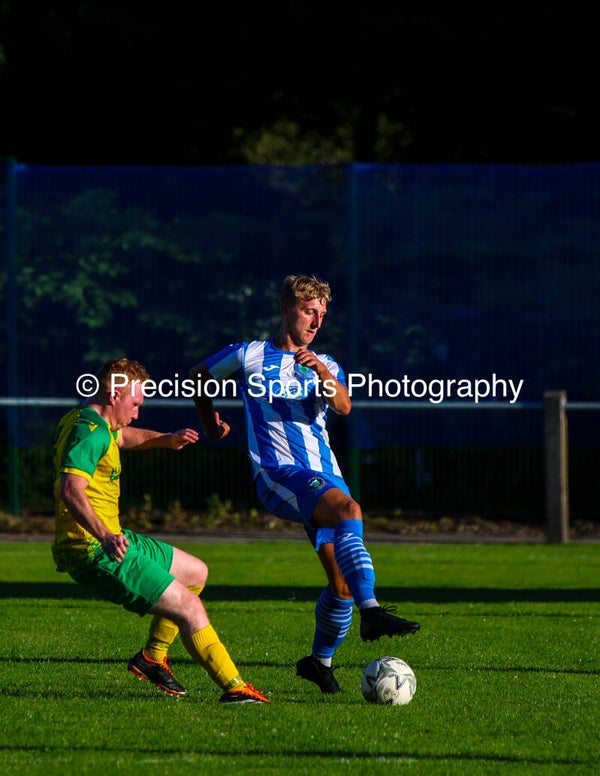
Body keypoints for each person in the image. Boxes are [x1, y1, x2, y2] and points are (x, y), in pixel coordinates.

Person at [189, 274, 420, 695]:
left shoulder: (325, 364)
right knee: (351, 511)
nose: (316, 321)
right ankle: (373, 612)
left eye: (322, 315)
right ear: (286, 310)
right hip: (279, 474)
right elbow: (198, 376)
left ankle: (320, 662)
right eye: (309, 311)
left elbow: (345, 406)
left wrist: (321, 373)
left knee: (342, 583)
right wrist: (211, 425)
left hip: (324, 477)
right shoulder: (250, 355)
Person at [52, 357, 269, 704]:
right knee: (190, 608)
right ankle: (236, 688)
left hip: (112, 537)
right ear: (112, 393)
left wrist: (165, 439)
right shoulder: (88, 433)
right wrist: (105, 536)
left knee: (195, 572)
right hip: (93, 549)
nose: (137, 412)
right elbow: (70, 490)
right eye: (135, 403)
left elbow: (123, 437)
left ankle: (152, 658)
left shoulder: (93, 421)